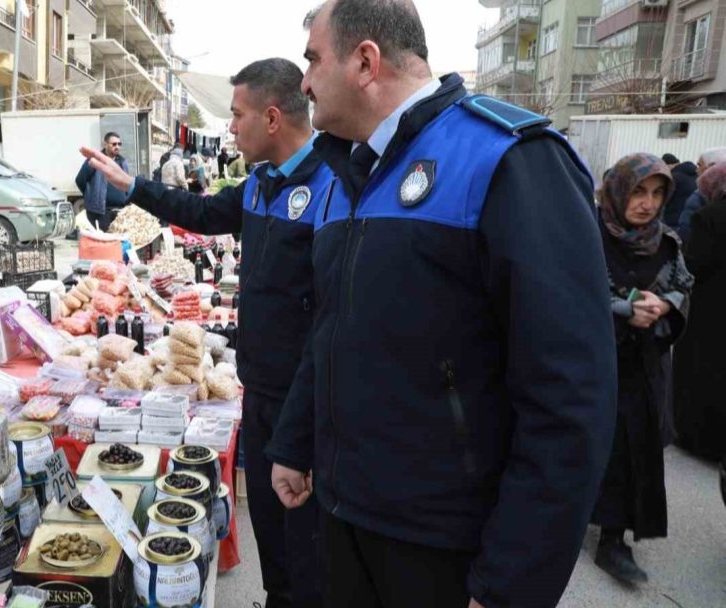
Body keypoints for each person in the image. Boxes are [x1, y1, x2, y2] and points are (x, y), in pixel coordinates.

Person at [266, 2, 617, 607]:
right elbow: (332, 328)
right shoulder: (344, 175)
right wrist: (295, 442)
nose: (303, 82)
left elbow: (569, 396)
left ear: (366, 62)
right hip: (345, 515)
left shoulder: (508, 158)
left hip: (446, 543)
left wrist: (513, 580)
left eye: (313, 60)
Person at [81, 57, 332, 608]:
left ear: (271, 118)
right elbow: (198, 211)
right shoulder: (261, 183)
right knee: (270, 521)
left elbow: (336, 315)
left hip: (309, 400)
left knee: (308, 533)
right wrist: (134, 186)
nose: (231, 127)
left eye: (237, 115)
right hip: (259, 389)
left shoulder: (334, 185)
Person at [591, 154, 691, 584]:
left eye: (656, 193)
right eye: (637, 191)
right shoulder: (587, 234)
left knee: (633, 449)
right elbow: (568, 290)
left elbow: (684, 285)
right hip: (594, 362)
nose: (647, 204)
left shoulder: (666, 241)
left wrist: (665, 303)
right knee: (585, 444)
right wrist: (621, 310)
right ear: (617, 190)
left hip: (643, 365)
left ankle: (614, 540)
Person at [672, 162, 726, 459]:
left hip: (709, 309)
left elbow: (695, 264)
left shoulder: (710, 217)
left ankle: (700, 439)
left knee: (702, 372)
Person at [75, 132, 130, 230]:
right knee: (103, 242)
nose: (117, 146)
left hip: (120, 211)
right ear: (105, 144)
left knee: (119, 241)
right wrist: (91, 194)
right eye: (114, 144)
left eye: (119, 144)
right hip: (101, 212)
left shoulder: (122, 162)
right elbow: (80, 180)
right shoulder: (94, 161)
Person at [677, 147, 726, 240]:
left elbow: (686, 230)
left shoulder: (700, 195)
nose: (696, 170)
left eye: (700, 165)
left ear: (712, 167)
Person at [662, 153, 697, 230]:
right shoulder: (696, 176)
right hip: (690, 220)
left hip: (672, 220)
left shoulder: (674, 177)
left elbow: (665, 198)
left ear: (668, 165)